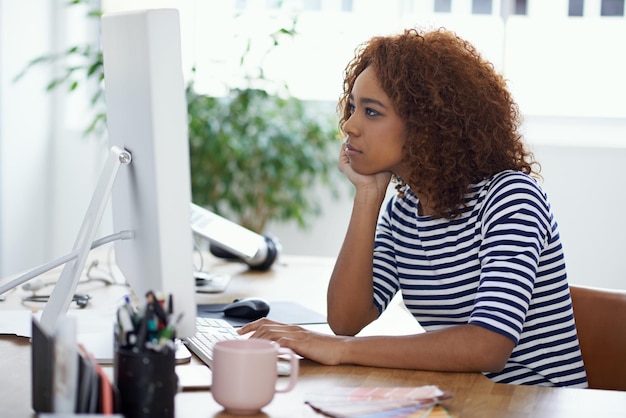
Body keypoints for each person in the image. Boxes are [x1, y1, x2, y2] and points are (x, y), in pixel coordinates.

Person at [239, 27, 588, 387]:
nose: (349, 125)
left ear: (427, 126)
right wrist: (368, 196)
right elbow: (346, 320)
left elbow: (488, 345)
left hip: (535, 405)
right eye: (354, 107)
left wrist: (340, 349)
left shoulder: (510, 199)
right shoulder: (404, 212)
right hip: (468, 401)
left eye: (372, 112)